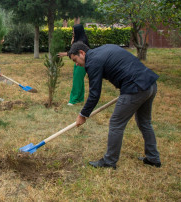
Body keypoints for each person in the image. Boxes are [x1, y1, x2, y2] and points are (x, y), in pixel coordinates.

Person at [68, 41, 161, 169]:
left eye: (75, 60)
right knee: (144, 122)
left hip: (135, 88)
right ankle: (153, 158)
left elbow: (95, 94)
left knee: (116, 123)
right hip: (149, 83)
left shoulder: (92, 62)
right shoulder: (104, 48)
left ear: (82, 53)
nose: (77, 64)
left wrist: (83, 114)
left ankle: (109, 162)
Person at [58, 24, 90, 106]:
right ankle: (80, 98)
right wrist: (73, 40)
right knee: (79, 81)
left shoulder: (81, 41)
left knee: (77, 81)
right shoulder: (79, 39)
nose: (73, 32)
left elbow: (74, 53)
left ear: (77, 31)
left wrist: (64, 54)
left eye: (74, 31)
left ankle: (73, 100)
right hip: (78, 63)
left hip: (82, 63)